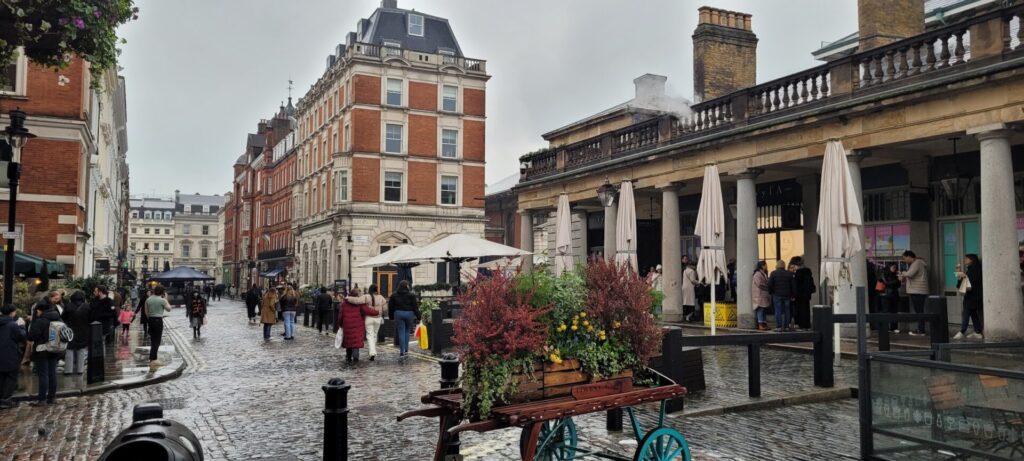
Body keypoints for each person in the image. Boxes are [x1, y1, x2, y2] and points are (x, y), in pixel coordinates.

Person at [25, 302, 62, 405]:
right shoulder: (58, 318)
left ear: (39, 310)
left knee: (43, 375)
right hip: (55, 349)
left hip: (42, 350)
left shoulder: (40, 321)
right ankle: (52, 398)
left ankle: (42, 399)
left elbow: (31, 336)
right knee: (52, 374)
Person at [337, 287, 379, 363]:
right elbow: (368, 311)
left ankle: (348, 356)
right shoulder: (360, 303)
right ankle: (356, 357)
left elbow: (340, 315)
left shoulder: (344, 303)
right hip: (358, 325)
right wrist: (377, 312)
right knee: (356, 341)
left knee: (348, 341)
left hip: (347, 325)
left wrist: (340, 324)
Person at [0, 304, 26, 409]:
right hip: (10, 353)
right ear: (11, 313)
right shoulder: (13, 324)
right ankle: (5, 400)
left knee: (1, 376)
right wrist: (22, 327)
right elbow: (21, 336)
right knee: (11, 377)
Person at [899, 250, 930, 336]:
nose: (904, 260)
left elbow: (910, 274)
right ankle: (921, 329)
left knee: (919, 311)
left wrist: (903, 273)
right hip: (918, 290)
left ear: (909, 256)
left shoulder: (917, 263)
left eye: (905, 258)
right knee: (919, 311)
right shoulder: (918, 263)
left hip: (917, 290)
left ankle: (921, 330)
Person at [954, 254, 983, 340]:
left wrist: (964, 277)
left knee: (966, 313)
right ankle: (978, 332)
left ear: (972, 260)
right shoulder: (972, 270)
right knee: (973, 313)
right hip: (973, 296)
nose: (965, 260)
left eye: (967, 258)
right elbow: (962, 284)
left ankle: (962, 331)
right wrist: (961, 277)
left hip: (972, 296)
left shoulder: (974, 270)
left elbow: (970, 283)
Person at [388, 280, 419, 357]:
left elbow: (390, 307)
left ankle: (401, 351)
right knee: (407, 332)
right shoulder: (411, 295)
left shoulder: (394, 295)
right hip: (409, 314)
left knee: (401, 332)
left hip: (398, 314)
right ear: (407, 286)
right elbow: (415, 307)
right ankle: (406, 350)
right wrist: (419, 317)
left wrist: (391, 316)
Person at [61, 291, 90, 375]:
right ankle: (80, 370)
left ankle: (68, 370)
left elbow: (63, 317)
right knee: (81, 350)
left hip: (70, 332)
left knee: (69, 350)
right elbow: (90, 318)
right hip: (83, 331)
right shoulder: (87, 307)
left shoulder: (68, 306)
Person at [145, 286, 172, 370]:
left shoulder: (148, 299)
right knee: (157, 341)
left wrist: (150, 319)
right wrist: (166, 299)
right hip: (158, 320)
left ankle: (152, 358)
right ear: (162, 292)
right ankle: (153, 359)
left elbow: (146, 312)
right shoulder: (162, 300)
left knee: (153, 340)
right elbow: (169, 309)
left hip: (150, 320)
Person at [768, 260, 795, 332]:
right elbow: (793, 285)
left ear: (777, 265)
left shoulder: (773, 273)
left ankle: (779, 327)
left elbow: (770, 284)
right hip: (787, 295)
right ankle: (786, 326)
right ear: (784, 266)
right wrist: (793, 294)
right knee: (787, 310)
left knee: (778, 310)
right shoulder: (789, 274)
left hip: (777, 294)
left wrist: (771, 292)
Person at [791, 256, 816, 330]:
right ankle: (807, 325)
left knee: (800, 310)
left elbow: (796, 285)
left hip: (800, 295)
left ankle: (801, 324)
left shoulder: (799, 273)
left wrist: (794, 294)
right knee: (806, 309)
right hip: (807, 294)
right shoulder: (808, 271)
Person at [878, 263, 902, 333]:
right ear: (889, 267)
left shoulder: (896, 275)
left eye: (895, 267)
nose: (894, 269)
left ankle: (894, 328)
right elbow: (887, 282)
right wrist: (897, 281)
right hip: (885, 295)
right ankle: (884, 327)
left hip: (894, 294)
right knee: (885, 311)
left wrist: (898, 280)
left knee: (894, 311)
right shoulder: (883, 273)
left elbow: (898, 285)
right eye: (893, 267)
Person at [364, 285, 386, 361]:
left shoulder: (367, 296)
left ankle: (372, 352)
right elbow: (385, 308)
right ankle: (373, 351)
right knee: (374, 335)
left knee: (370, 335)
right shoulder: (381, 297)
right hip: (378, 318)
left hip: (369, 318)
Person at [752, 261, 771, 330]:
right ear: (762, 266)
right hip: (759, 295)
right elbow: (759, 284)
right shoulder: (757, 274)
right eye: (765, 265)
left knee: (763, 309)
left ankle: (764, 324)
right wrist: (767, 287)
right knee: (760, 309)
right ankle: (760, 325)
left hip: (763, 294)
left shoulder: (763, 273)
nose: (766, 266)